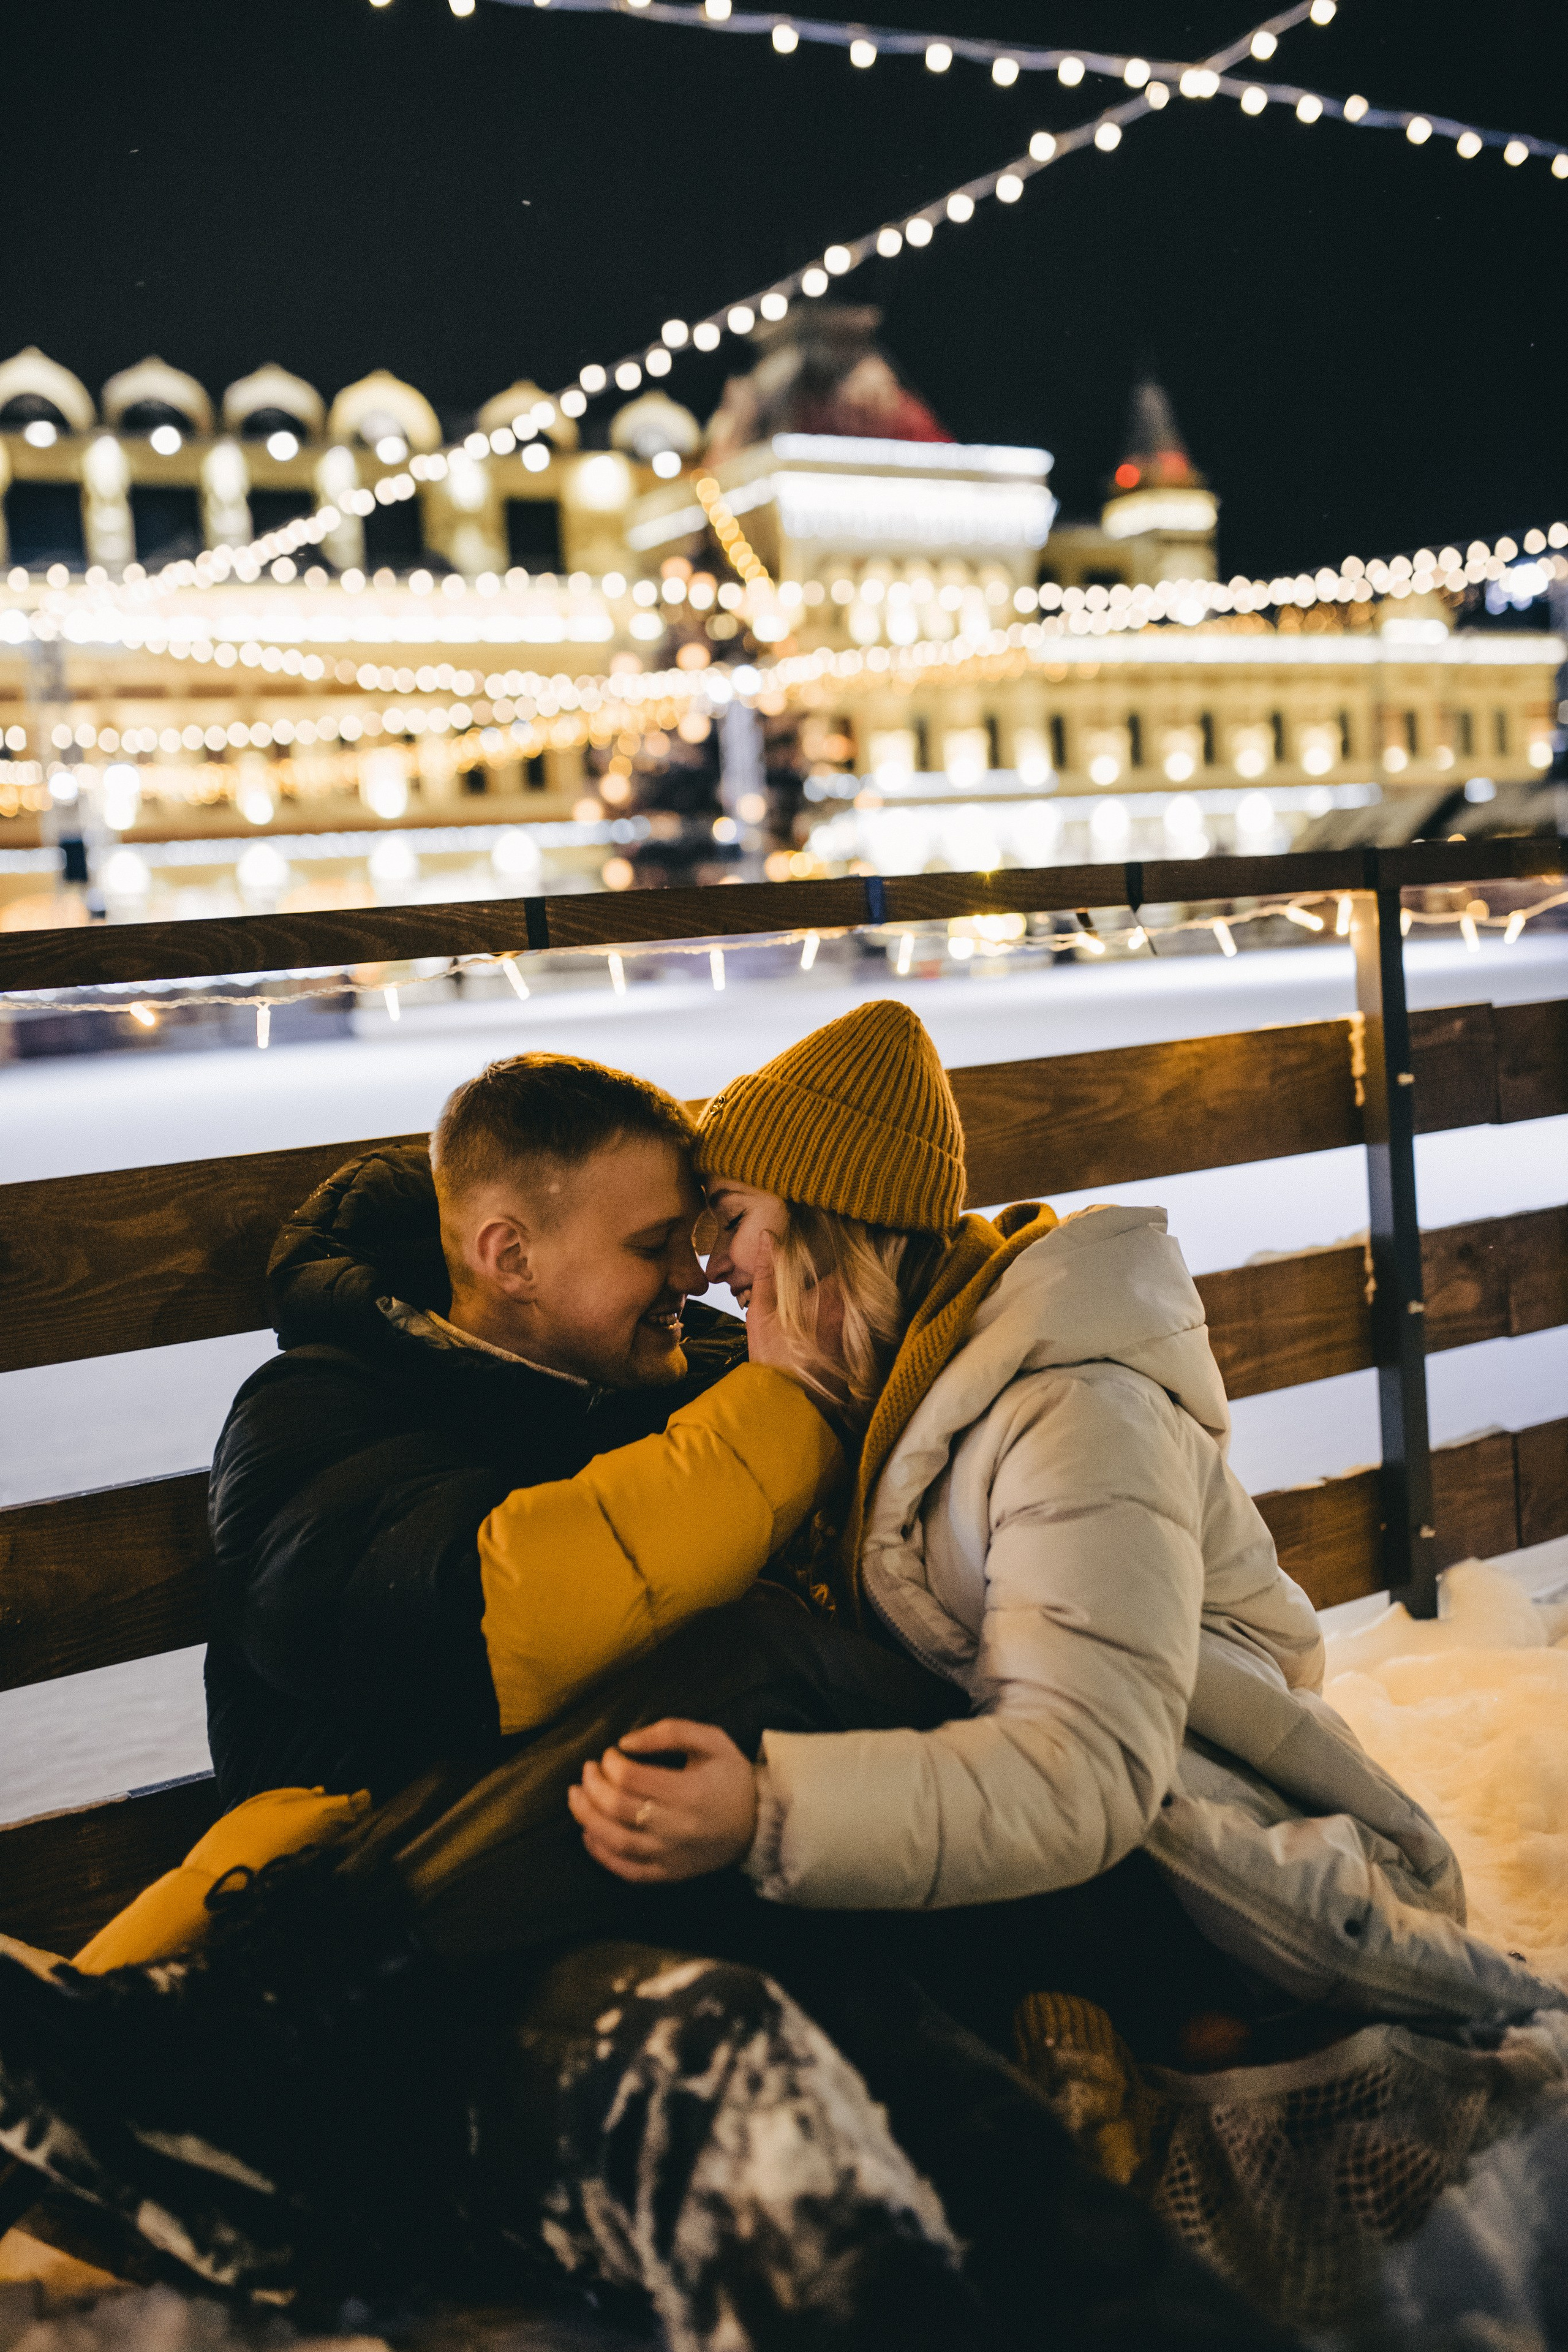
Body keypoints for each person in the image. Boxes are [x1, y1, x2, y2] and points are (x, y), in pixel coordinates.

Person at [0, 1026, 1296, 2351]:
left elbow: (976, 1707)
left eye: (711, 1232)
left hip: (696, 1876)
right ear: (506, 1255)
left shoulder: (725, 1384)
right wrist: (787, 1413)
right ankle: (239, 2041)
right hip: (428, 1926)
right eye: (658, 1243)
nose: (698, 1273)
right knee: (767, 1784)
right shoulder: (325, 1410)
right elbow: (487, 1626)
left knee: (853, 2004)